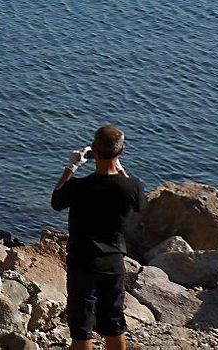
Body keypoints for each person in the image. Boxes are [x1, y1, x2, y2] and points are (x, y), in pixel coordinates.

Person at [51, 125, 145, 350]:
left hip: (83, 263)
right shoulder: (132, 187)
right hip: (113, 263)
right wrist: (121, 170)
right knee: (114, 326)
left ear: (93, 149)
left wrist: (71, 166)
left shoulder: (79, 186)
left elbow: (56, 201)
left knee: (82, 331)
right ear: (121, 151)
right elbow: (140, 203)